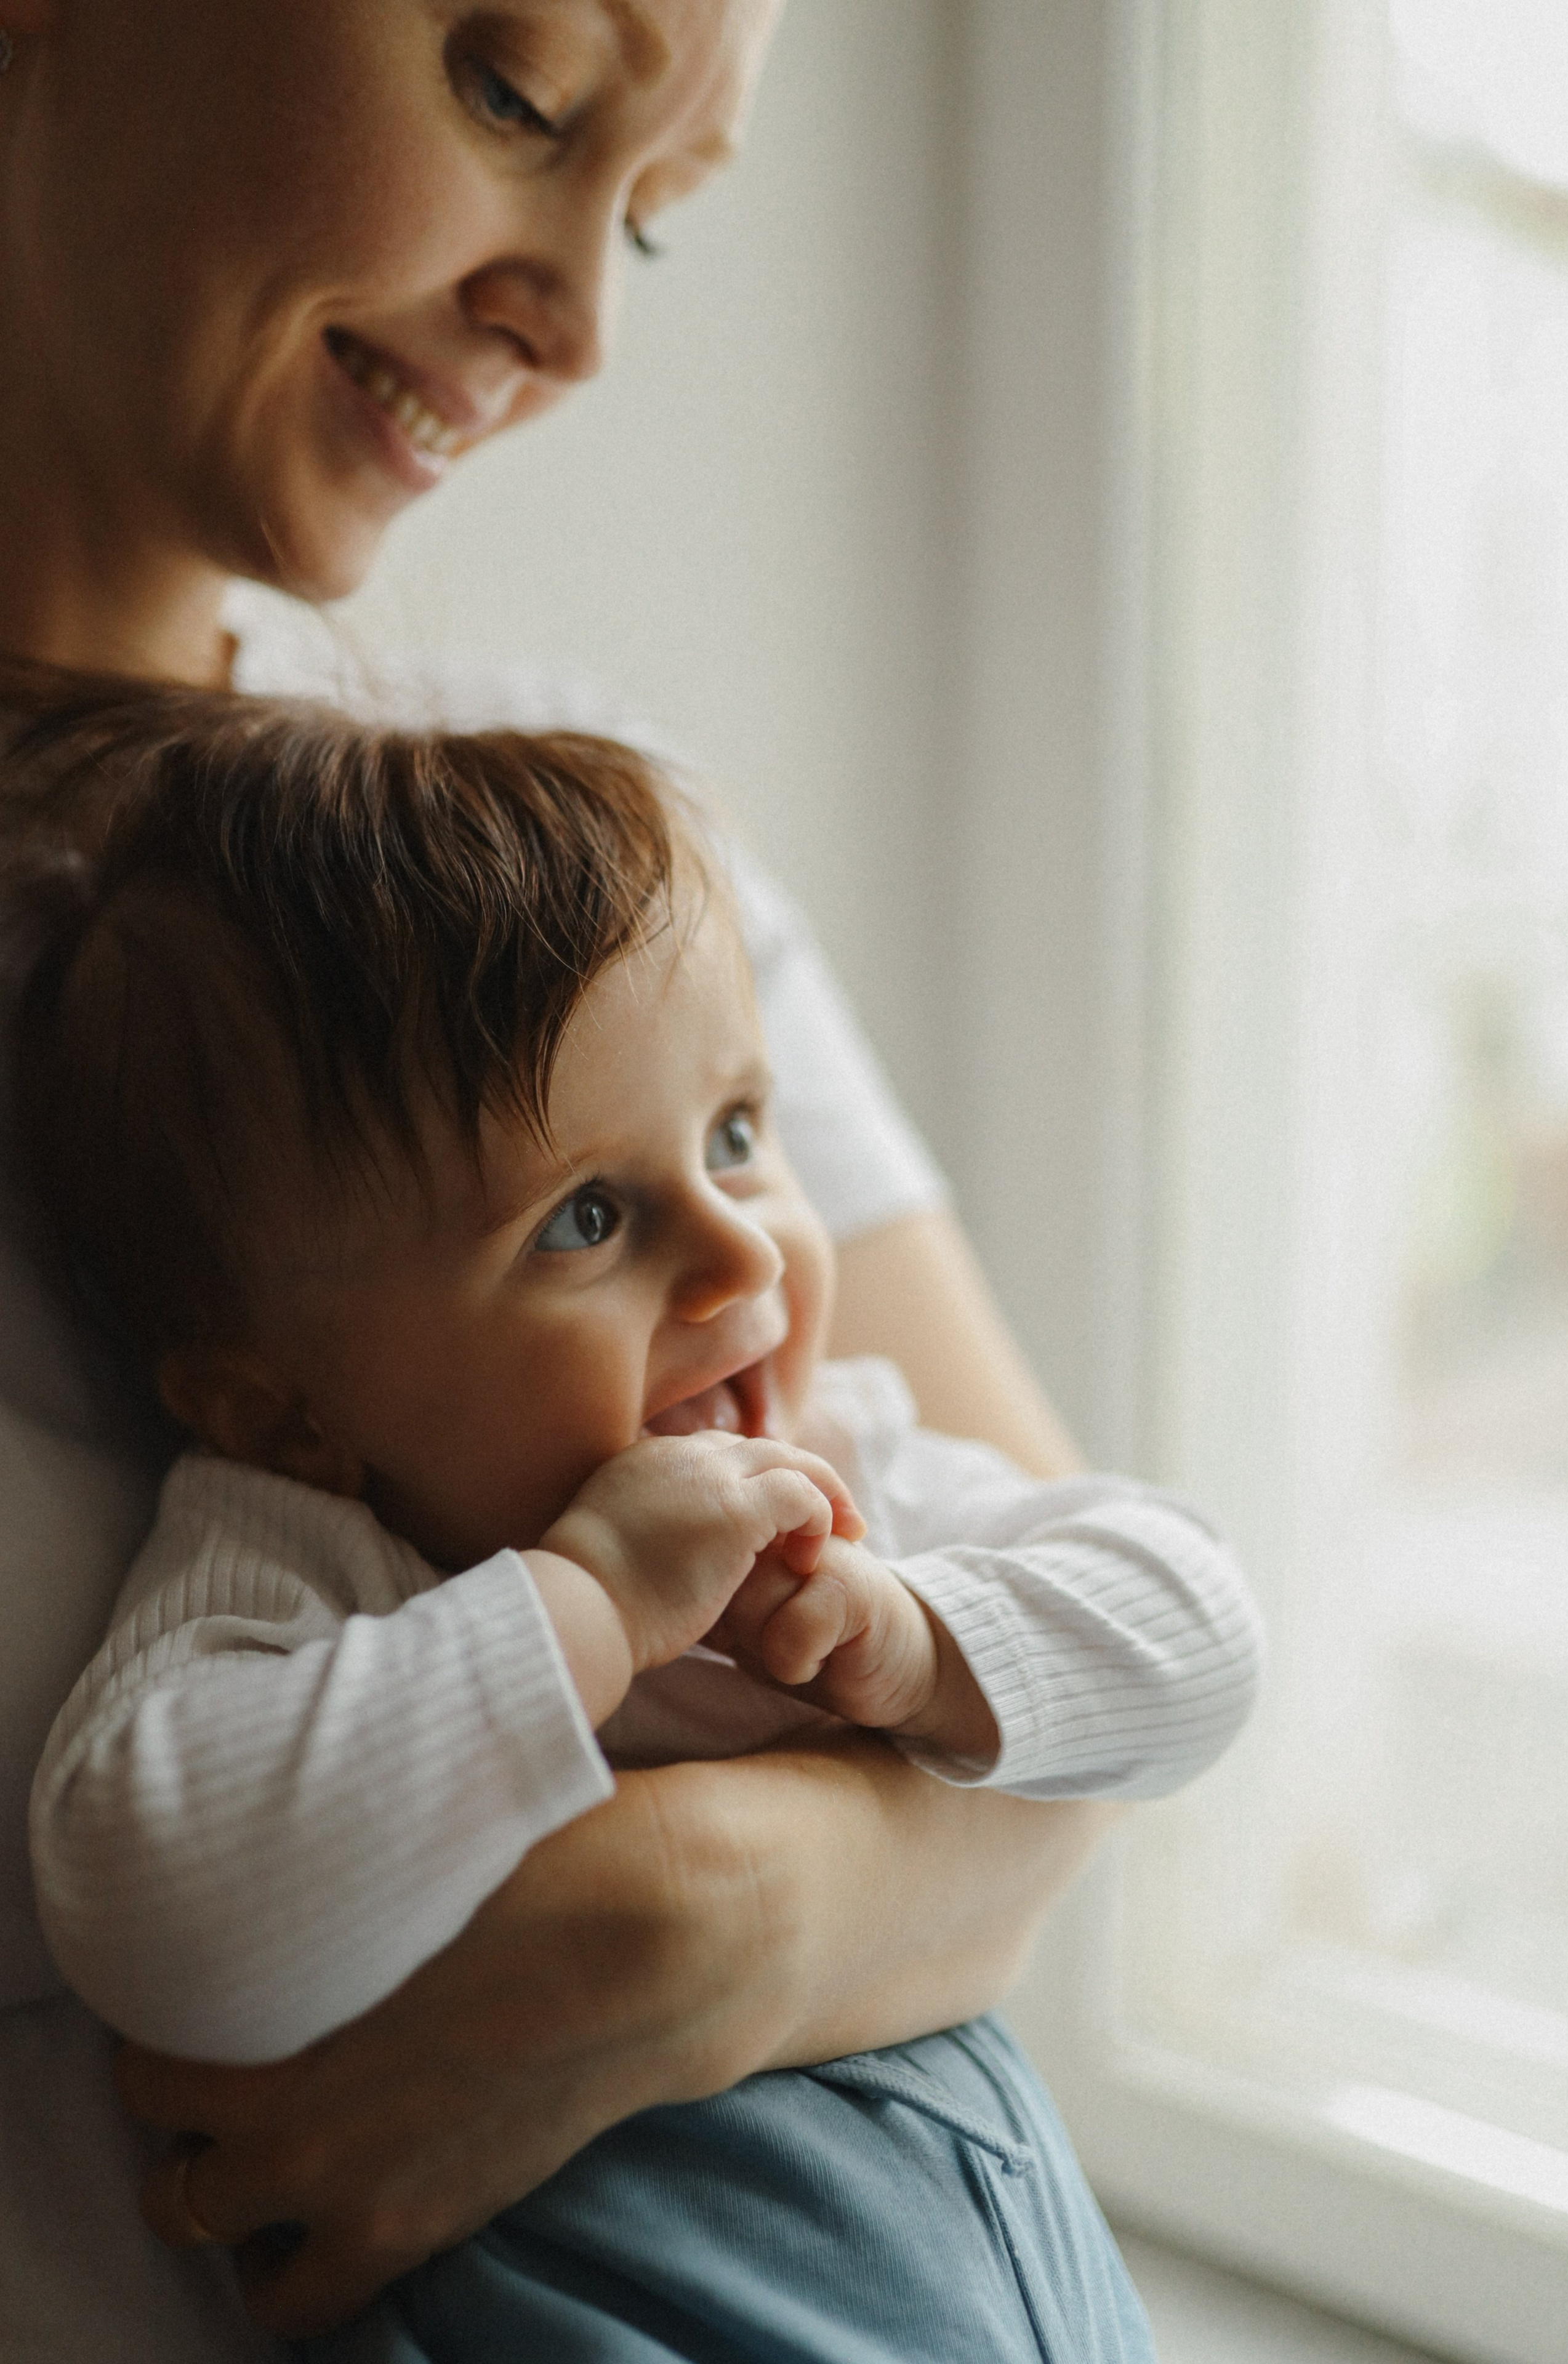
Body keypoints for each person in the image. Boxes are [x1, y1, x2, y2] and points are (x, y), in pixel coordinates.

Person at [0, 4, 1174, 2356]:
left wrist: (667, 1942)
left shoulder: (572, 861)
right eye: (516, 93)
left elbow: (1081, 1700)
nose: (581, 318)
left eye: (653, 209)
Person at [15, 702, 1258, 2361]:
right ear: (285, 1408)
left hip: (981, 2256)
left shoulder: (839, 1468)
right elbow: (152, 1910)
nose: (742, 1254)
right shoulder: (311, 1558)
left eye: (741, 1135)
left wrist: (924, 1639)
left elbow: (1202, 1631)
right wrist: (584, 1606)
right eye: (588, 1218)